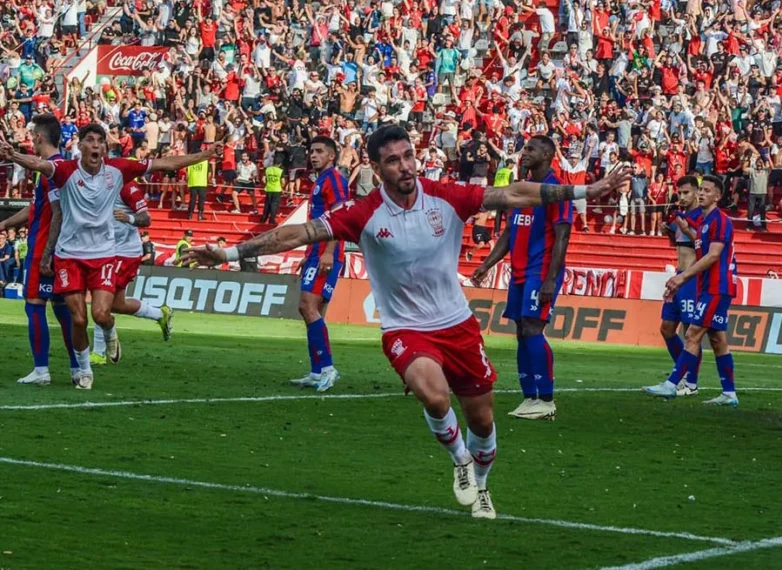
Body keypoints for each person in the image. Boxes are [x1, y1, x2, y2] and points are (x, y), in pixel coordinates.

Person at [182, 125, 631, 520]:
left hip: (457, 324)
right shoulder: (363, 212)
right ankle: (459, 460)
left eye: (408, 156)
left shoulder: (447, 196)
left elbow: (514, 193)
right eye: (393, 161)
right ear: (377, 169)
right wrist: (229, 253)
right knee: (435, 398)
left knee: (483, 421)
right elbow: (296, 233)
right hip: (405, 328)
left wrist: (585, 192)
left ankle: (483, 486)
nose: (405, 166)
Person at [0, 124, 222, 390]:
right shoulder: (66, 171)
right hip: (69, 256)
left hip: (104, 255)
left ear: (105, 148)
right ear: (79, 146)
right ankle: (84, 371)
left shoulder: (118, 170)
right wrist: (13, 156)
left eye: (100, 141)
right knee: (79, 319)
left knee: (102, 313)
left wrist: (205, 155)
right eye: (89, 140)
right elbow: (39, 164)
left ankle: (108, 331)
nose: (95, 145)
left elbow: (166, 163)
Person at [470, 135, 574, 420]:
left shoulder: (557, 190)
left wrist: (551, 279)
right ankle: (530, 397)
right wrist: (488, 264)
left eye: (531, 149)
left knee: (532, 328)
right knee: (520, 330)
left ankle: (547, 399)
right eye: (524, 149)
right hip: (517, 272)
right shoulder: (519, 190)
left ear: (547, 155)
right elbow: (508, 233)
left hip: (540, 271)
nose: (524, 153)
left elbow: (563, 236)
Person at [643, 176, 739, 406]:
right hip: (710, 286)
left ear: (717, 196)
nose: (702, 194)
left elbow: (713, 254)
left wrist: (683, 276)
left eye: (706, 191)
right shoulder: (705, 223)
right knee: (716, 339)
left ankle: (673, 384)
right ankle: (729, 393)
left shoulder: (720, 220)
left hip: (717, 286)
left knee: (692, 334)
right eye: (702, 190)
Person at [0, 114, 77, 386]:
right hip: (59, 248)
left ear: (39, 137)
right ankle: (78, 367)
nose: (30, 140)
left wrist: (45, 253)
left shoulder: (50, 169)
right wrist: (5, 223)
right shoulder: (60, 167)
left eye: (32, 136)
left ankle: (41, 370)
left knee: (34, 306)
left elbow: (57, 213)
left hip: (43, 247)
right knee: (62, 308)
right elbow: (37, 208)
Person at [90, 179, 173, 365]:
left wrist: (129, 218)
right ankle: (160, 314)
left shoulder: (127, 186)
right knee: (117, 304)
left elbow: (147, 219)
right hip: (105, 248)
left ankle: (99, 352)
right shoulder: (91, 184)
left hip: (124, 252)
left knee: (100, 299)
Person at [289, 137, 349, 392]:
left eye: (319, 151)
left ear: (332, 156)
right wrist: (310, 252)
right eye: (311, 151)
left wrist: (328, 252)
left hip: (328, 253)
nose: (313, 155)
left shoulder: (334, 178)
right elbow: (318, 223)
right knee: (310, 309)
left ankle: (327, 368)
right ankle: (317, 370)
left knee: (307, 306)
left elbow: (340, 216)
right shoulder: (321, 181)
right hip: (317, 251)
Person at [644, 176, 704, 398]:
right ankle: (683, 374)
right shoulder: (682, 216)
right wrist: (670, 231)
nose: (682, 197)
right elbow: (680, 245)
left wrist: (686, 229)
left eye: (687, 192)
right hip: (678, 276)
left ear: (697, 193)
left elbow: (705, 247)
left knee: (692, 333)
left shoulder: (701, 217)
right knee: (667, 329)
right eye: (680, 193)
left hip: (692, 279)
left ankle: (691, 383)